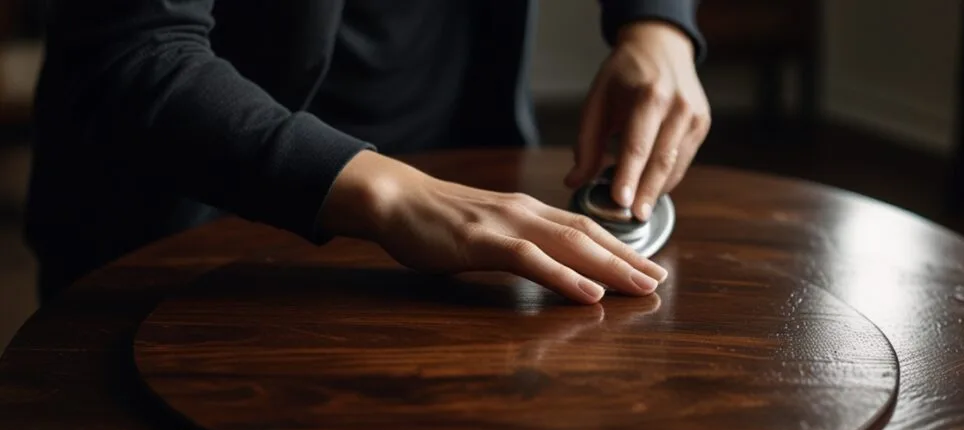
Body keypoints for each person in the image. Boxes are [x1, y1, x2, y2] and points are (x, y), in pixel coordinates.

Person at [24, 0, 711, 305]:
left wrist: (656, 24)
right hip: (182, 228)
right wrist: (389, 192)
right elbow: (133, 51)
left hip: (457, 197)